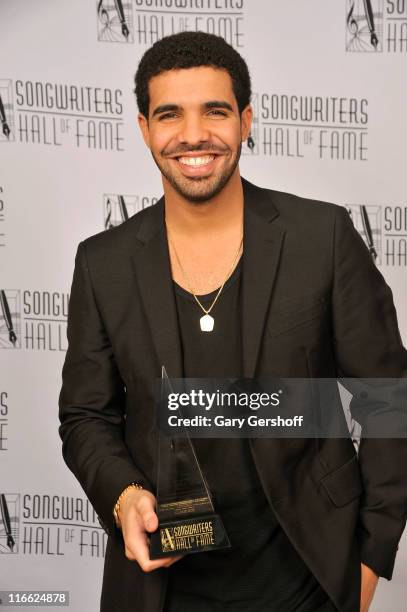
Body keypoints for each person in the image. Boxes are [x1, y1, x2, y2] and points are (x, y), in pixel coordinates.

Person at [58, 31, 407, 612]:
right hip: (160, 590)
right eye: (170, 114)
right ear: (145, 129)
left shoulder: (322, 239)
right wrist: (124, 496)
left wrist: (370, 561)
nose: (193, 135)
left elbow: (389, 396)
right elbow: (86, 415)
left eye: (215, 111)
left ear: (245, 120)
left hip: (309, 582)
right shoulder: (103, 263)